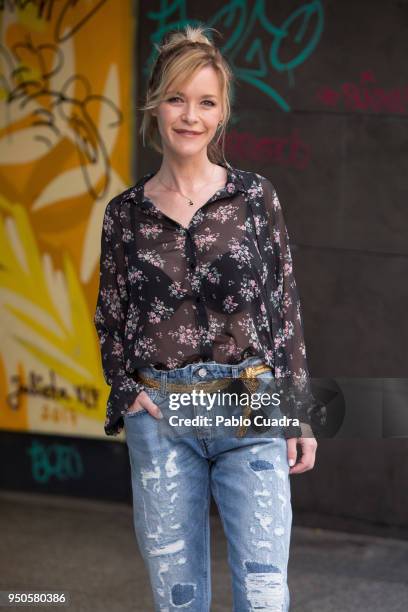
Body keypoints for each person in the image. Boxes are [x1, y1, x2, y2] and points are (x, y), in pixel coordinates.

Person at [94, 24, 318, 612]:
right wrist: (125, 388)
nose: (190, 115)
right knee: (179, 600)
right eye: (176, 98)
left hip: (250, 404)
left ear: (222, 114)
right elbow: (110, 313)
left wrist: (300, 411)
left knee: (266, 597)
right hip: (161, 413)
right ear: (154, 106)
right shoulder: (125, 214)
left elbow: (284, 305)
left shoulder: (254, 198)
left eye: (206, 102)